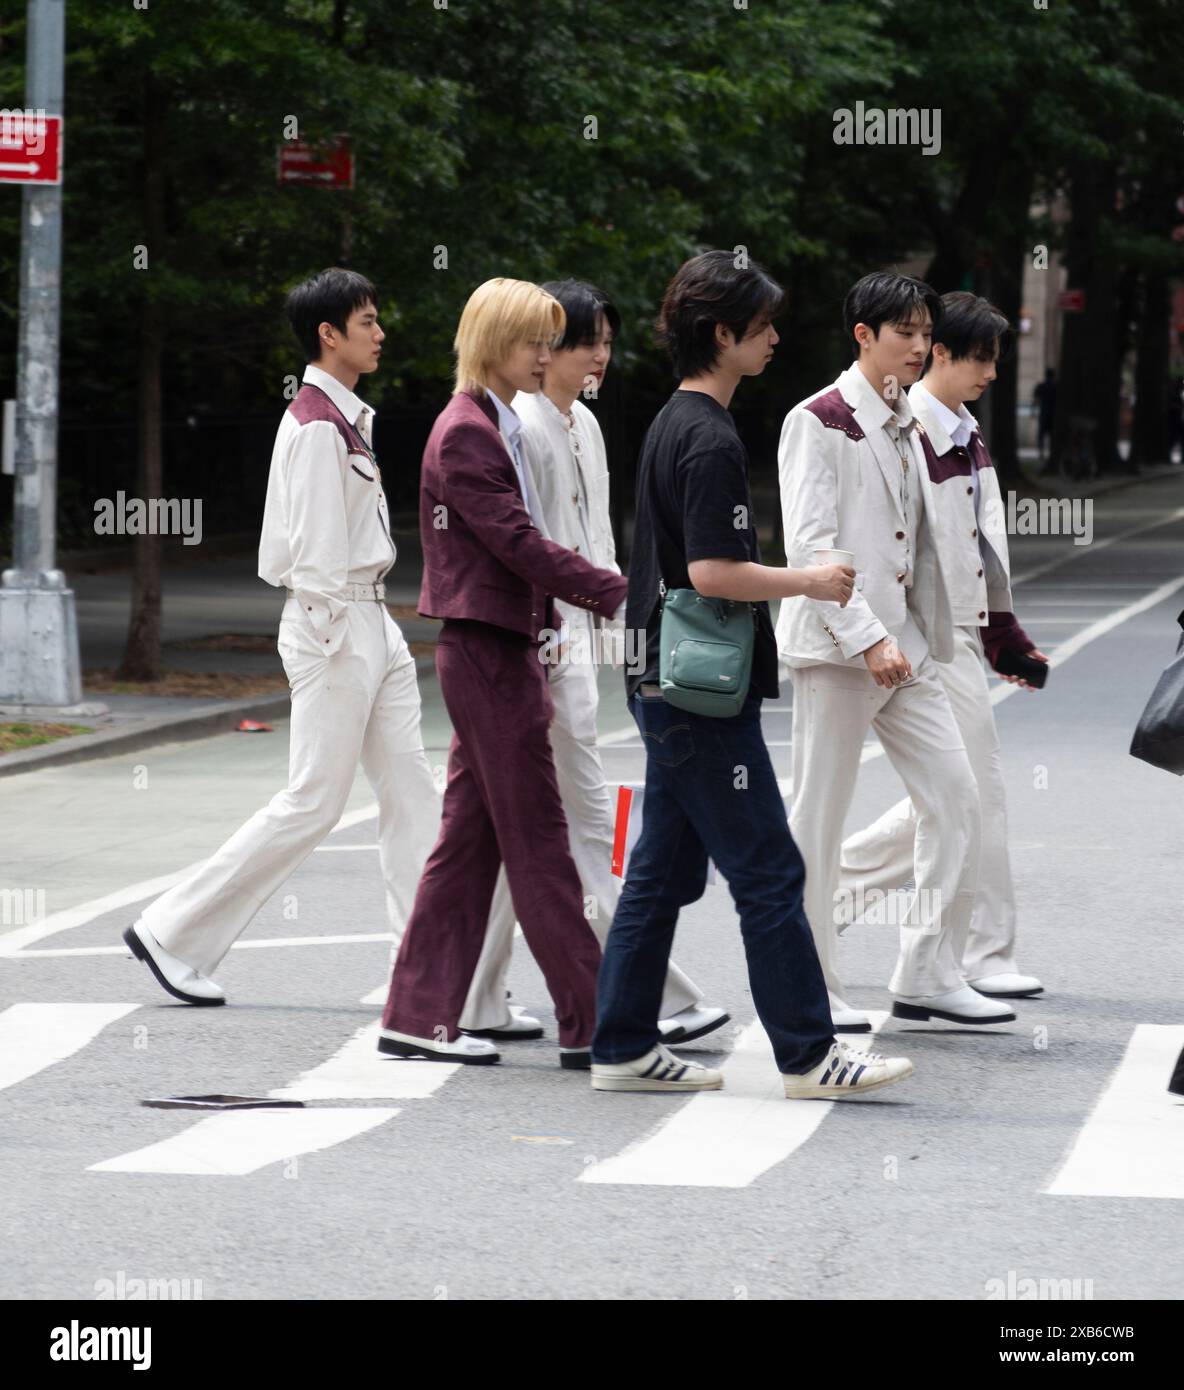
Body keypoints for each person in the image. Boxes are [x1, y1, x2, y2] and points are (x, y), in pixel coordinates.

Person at [591, 250, 915, 1099]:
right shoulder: (709, 437)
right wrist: (809, 579)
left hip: (666, 676)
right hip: (699, 688)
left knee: (660, 870)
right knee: (770, 870)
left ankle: (622, 1043)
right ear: (722, 334)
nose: (774, 339)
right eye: (762, 327)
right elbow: (711, 571)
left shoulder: (674, 421)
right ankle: (809, 1055)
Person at [123, 267, 439, 1003]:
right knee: (314, 801)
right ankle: (171, 930)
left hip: (371, 622)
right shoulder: (313, 427)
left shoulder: (342, 418)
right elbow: (317, 550)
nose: (380, 331)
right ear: (329, 335)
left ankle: (425, 967)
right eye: (367, 321)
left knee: (412, 793)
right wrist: (337, 633)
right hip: (335, 624)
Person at [457, 278, 730, 1048]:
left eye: (606, 342)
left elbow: (601, 536)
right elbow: (535, 549)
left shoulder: (585, 427)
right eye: (585, 343)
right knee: (579, 822)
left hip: (587, 637)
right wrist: (570, 642)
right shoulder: (525, 429)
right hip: (547, 646)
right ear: (543, 352)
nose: (598, 357)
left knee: (528, 828)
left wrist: (626, 639)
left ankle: (474, 997)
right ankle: (660, 995)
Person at [377, 278, 628, 1067]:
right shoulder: (467, 433)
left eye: (553, 341)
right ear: (492, 342)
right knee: (541, 845)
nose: (548, 357)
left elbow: (521, 550)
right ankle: (595, 1025)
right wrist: (616, 592)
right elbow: (518, 542)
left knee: (468, 849)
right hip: (487, 655)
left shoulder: (494, 423)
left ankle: (417, 1018)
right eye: (535, 342)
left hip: (503, 648)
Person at [778, 270, 1014, 1032]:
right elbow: (813, 547)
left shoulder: (911, 419)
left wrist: (955, 634)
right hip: (837, 649)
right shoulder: (818, 420)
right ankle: (811, 985)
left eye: (923, 332)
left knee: (957, 797)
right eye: (905, 333)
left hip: (910, 649)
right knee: (819, 816)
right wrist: (870, 637)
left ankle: (925, 972)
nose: (919, 345)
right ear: (864, 336)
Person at [840, 291, 1048, 999]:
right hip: (919, 635)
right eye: (979, 357)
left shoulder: (964, 431)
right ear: (941, 354)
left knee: (958, 795)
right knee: (964, 794)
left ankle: (962, 947)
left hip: (954, 633)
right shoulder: (911, 430)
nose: (989, 371)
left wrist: (1004, 635)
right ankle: (970, 953)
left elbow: (981, 549)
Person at [1033, 367, 1056, 466]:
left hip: (1044, 413)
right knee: (1051, 435)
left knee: (1041, 435)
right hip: (1053, 414)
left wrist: (1032, 412)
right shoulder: (1055, 387)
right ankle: (1050, 453)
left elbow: (1035, 400)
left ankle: (1041, 453)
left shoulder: (1041, 386)